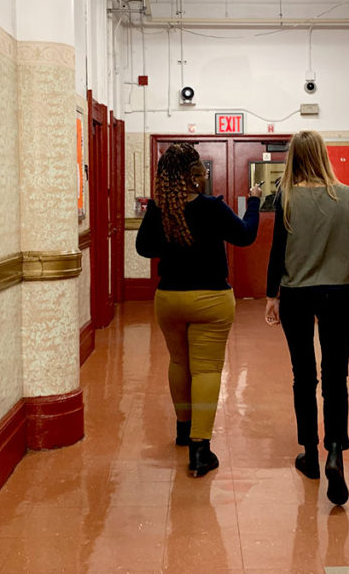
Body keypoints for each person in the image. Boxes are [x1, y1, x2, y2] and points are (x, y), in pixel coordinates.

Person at [136, 143, 262, 477]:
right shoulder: (211, 208)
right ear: (193, 174)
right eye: (202, 170)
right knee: (206, 370)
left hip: (169, 299)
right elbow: (246, 236)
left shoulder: (158, 208)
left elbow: (144, 248)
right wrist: (253, 202)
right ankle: (200, 449)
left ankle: (182, 429)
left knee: (179, 362)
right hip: (210, 300)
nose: (205, 175)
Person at [264, 130, 349, 505]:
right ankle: (335, 450)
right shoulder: (348, 196)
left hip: (296, 294)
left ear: (293, 157)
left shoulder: (285, 198)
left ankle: (309, 453)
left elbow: (277, 251)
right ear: (324, 155)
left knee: (303, 374)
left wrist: (271, 295)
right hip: (339, 292)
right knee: (336, 375)